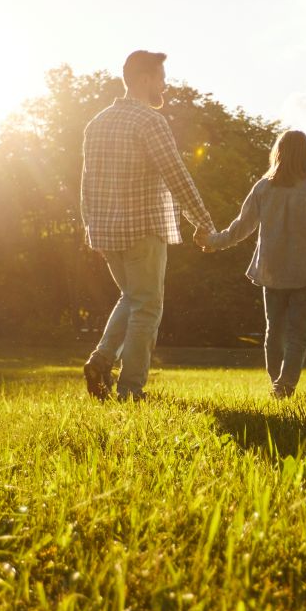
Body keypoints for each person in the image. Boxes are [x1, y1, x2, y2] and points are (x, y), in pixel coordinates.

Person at [80, 50, 215, 401]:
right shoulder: (149, 121)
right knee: (147, 307)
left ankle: (100, 361)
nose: (165, 85)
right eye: (160, 78)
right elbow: (176, 174)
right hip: (142, 228)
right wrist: (203, 221)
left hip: (108, 232)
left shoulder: (97, 123)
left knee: (133, 298)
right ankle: (130, 389)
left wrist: (90, 228)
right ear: (143, 79)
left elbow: (87, 183)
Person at [198, 130, 306, 398]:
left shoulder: (263, 188)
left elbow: (240, 228)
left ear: (278, 154)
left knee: (273, 331)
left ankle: (277, 382)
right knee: (298, 334)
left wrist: (213, 241)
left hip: (272, 272)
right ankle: (284, 384)